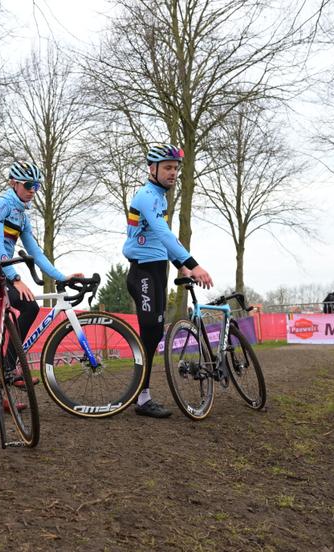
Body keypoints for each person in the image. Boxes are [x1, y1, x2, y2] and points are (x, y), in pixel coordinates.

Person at [0, 161, 83, 381]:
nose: (33, 190)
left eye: (36, 186)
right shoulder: (0, 204)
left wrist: (61, 276)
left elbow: (36, 253)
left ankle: (2, 376)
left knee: (10, 323)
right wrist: (16, 278)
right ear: (14, 183)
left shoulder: (22, 215)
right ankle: (9, 369)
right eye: (28, 185)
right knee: (28, 307)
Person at [123, 144, 213, 418]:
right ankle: (141, 396)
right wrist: (192, 264)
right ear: (153, 169)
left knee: (155, 333)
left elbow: (161, 241)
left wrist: (177, 265)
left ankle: (142, 395)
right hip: (143, 273)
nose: (174, 173)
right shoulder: (148, 196)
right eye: (168, 168)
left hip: (157, 270)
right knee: (149, 329)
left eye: (176, 168)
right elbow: (163, 234)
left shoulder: (161, 197)